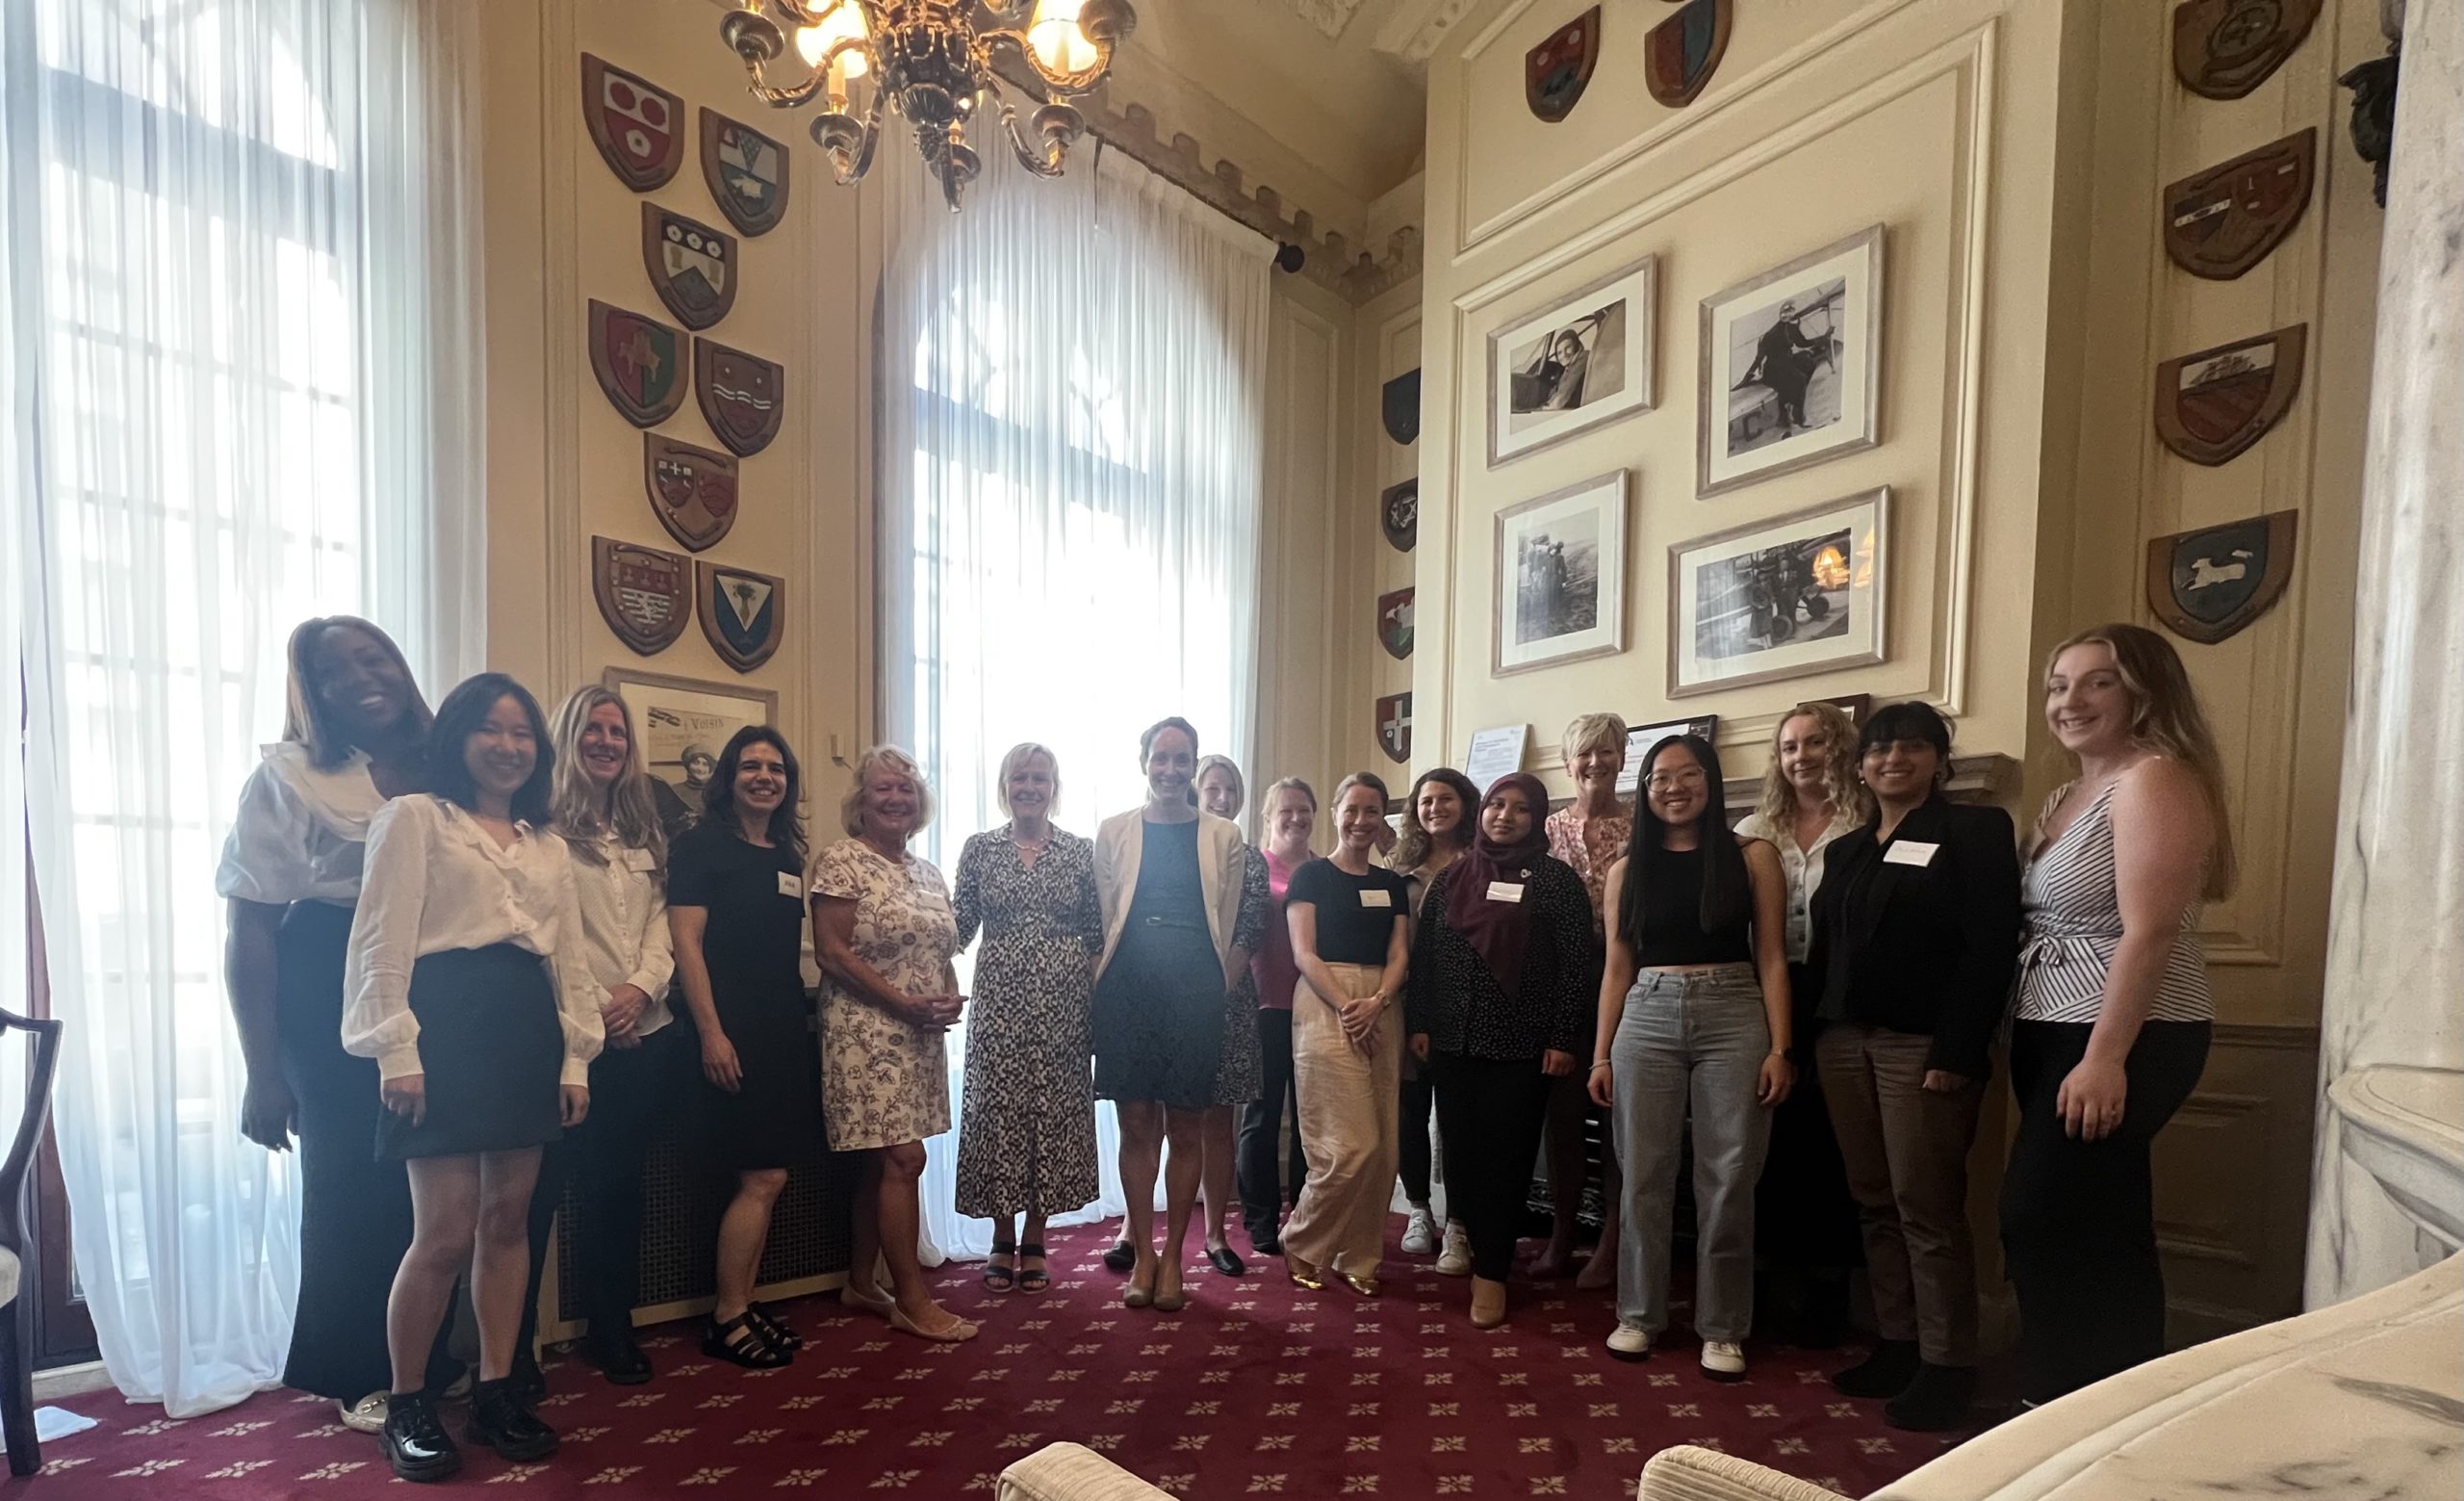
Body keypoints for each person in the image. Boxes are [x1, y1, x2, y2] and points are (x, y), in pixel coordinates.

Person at [341, 674, 602, 1481]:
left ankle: (496, 1388)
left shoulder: (548, 843)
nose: (509, 745)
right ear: (457, 736)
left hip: (523, 1027)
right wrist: (396, 1050)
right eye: (491, 728)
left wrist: (575, 1055)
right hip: (444, 1027)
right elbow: (381, 940)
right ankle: (409, 1400)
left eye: (523, 733)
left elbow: (569, 958)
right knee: (444, 1230)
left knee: (509, 1221)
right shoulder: (415, 816)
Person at [217, 617, 457, 1432]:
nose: (360, 675)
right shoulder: (288, 777)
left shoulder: (446, 762)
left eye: (374, 655)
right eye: (331, 670)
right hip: (328, 976)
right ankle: (361, 1367)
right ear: (310, 692)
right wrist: (262, 1069)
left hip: (436, 976)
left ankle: (434, 1354)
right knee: (355, 1178)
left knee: (435, 1176)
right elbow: (249, 928)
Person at [2002, 624, 2234, 1408]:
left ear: (2143, 688)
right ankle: (2112, 1409)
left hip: (2122, 1032)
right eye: (2059, 685)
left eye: (2097, 681)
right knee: (2100, 1221)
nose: (2071, 699)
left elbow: (2151, 931)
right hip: (2050, 1023)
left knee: (2043, 1216)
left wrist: (2103, 1058)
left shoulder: (2155, 777)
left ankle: (2065, 1403)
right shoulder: (2069, 794)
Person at [1806, 702, 2019, 1431]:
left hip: (1921, 1046)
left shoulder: (1974, 831)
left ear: (1938, 757)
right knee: (1873, 1199)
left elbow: (1990, 949)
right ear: (1860, 764)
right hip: (1843, 1043)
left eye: (1911, 746)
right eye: (1879, 748)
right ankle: (1897, 1341)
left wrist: (1957, 1051)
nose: (1893, 758)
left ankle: (1948, 1363)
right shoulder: (1847, 850)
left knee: (1926, 1205)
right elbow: (1827, 952)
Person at [1590, 734, 1794, 1380]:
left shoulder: (1753, 855)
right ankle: (1639, 1314)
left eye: (1687, 774)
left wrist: (1781, 1047)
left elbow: (1771, 957)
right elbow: (1617, 966)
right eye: (1658, 777)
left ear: (1710, 779)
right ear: (1645, 790)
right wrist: (1601, 1055)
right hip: (1645, 1013)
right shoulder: (1628, 868)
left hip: (1735, 1012)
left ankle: (1723, 1326)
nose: (1673, 786)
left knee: (1730, 1176)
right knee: (1644, 1173)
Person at [527, 686, 678, 1386]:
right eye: (594, 728)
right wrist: (598, 1011)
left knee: (619, 1188)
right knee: (534, 1193)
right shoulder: (540, 830)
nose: (608, 741)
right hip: (564, 1040)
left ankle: (607, 1324)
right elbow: (549, 937)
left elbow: (661, 925)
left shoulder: (642, 830)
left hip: (645, 1032)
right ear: (567, 737)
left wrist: (639, 992)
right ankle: (515, 1344)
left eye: (618, 731)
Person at [1407, 773, 1591, 1328]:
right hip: (1454, 1040)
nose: (1504, 816)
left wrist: (1562, 1038)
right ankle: (1466, 1238)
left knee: (1507, 1158)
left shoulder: (1557, 883)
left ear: (1537, 819)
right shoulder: (1452, 878)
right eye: (1495, 805)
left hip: (1522, 1045)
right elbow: (1426, 957)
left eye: (1519, 809)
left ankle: (1492, 1271)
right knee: (1460, 1151)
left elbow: (1575, 968)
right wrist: (1420, 1022)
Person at [667, 727, 824, 1369]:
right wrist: (710, 1031)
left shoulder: (785, 854)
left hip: (782, 1027)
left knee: (771, 1173)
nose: (764, 775)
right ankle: (727, 1315)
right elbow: (686, 945)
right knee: (760, 1174)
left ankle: (745, 1302)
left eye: (776, 767)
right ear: (729, 775)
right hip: (727, 1032)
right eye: (751, 765)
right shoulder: (700, 845)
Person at [810, 747, 974, 1343]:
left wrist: (949, 996)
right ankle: (911, 1299)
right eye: (883, 789)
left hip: (921, 1034)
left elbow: (941, 950)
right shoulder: (841, 861)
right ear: (861, 799)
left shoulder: (927, 871)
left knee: (879, 1164)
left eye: (906, 789)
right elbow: (832, 953)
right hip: (865, 1032)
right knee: (905, 1160)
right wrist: (903, 1003)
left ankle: (860, 1280)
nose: (896, 798)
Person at [1092, 717, 1254, 1313]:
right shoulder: (1112, 831)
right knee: (1137, 1124)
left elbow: (1231, 920)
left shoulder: (1222, 836)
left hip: (1194, 989)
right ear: (1144, 762)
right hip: (1128, 987)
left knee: (1187, 1126)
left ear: (1194, 765)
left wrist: (1215, 989)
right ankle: (1142, 1255)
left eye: (1181, 759)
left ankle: (1177, 1258)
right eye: (1160, 758)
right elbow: (1104, 918)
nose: (1170, 770)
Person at [1733, 704, 1866, 1348]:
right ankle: (1758, 1282)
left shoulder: (1868, 821)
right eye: (1789, 745)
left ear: (1839, 748)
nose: (1801, 755)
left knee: (1832, 1144)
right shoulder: (1755, 828)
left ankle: (1826, 1290)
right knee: (1767, 1139)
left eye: (1815, 742)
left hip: (1843, 992)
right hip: (1766, 988)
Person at [952, 743, 1101, 1296]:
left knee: (1052, 1115)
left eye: (1040, 778)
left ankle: (1036, 1235)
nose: (1029, 787)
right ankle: (1001, 1233)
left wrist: (1101, 1006)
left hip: (1065, 1006)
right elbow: (957, 926)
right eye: (1020, 778)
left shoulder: (1080, 851)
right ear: (1005, 786)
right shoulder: (981, 849)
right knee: (1000, 1113)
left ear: (1054, 786)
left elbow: (1095, 934)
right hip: (998, 1006)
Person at [1280, 773, 1412, 1296]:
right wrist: (1347, 1006)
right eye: (1352, 809)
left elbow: (1401, 953)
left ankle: (1359, 1254)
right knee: (1349, 1144)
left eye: (1373, 811)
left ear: (1384, 819)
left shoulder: (1391, 883)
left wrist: (1377, 1002)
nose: (1361, 821)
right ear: (1336, 812)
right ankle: (1302, 1239)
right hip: (1324, 1000)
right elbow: (1303, 952)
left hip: (1383, 1002)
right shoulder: (1311, 876)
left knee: (1384, 1150)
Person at [1541, 712, 1629, 1286]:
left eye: (1607, 752)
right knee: (1564, 1119)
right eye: (1584, 754)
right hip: (1563, 983)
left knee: (1622, 1121)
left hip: (1627, 977)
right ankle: (1562, 1234)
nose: (1595, 762)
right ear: (1568, 763)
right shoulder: (1547, 829)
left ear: (1623, 757)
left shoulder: (1643, 824)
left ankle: (1615, 1244)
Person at [1392, 767, 1481, 1270]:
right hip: (1407, 1002)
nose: (1434, 809)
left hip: (1463, 1005)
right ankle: (1419, 1211)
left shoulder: (1483, 862)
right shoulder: (1400, 866)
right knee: (1409, 1111)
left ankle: (1460, 1225)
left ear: (1465, 805)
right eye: (1425, 801)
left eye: (1445, 799)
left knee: (1456, 1117)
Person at [1194, 754, 1270, 1277]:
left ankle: (1216, 1233)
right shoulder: (1174, 846)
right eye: (1212, 789)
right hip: (1166, 1000)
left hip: (1226, 1000)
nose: (1221, 799)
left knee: (1218, 1121)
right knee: (1152, 1115)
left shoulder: (1252, 859)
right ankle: (1132, 1229)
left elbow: (1249, 932)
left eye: (1230, 790)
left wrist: (1210, 992)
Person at [1237, 776, 1317, 1256]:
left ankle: (1306, 1214)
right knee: (1263, 1117)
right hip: (1263, 1006)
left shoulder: (1324, 869)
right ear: (1267, 817)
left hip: (1315, 1009)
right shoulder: (1253, 867)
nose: (1295, 818)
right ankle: (1261, 1218)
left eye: (1303, 809)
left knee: (1311, 1119)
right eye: (1285, 810)